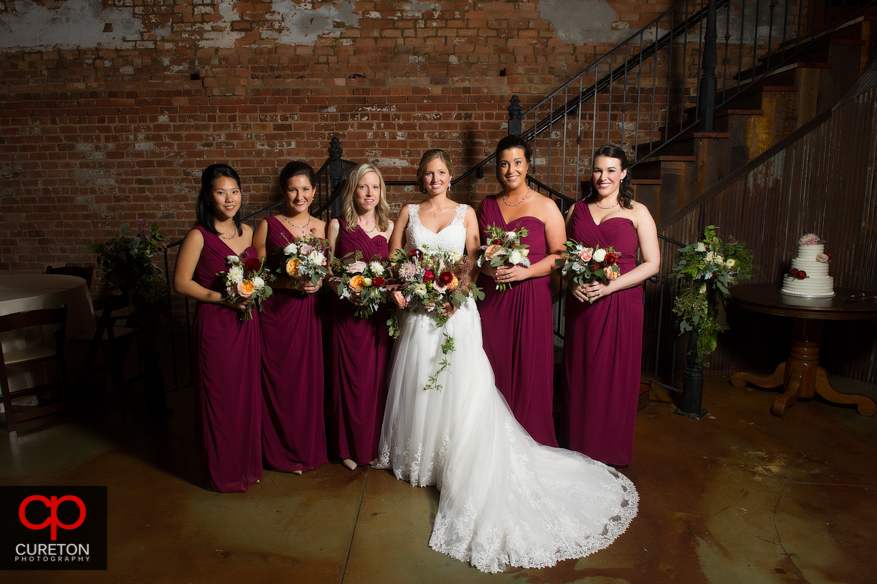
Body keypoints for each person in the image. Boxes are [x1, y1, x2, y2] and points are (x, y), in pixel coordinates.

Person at [376, 149, 638, 573]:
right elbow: (434, 258)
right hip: (431, 308)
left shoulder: (526, 208)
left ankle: (472, 451)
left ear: (528, 165)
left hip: (473, 303)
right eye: (428, 173)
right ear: (421, 178)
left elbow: (491, 257)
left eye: (442, 172)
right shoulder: (476, 206)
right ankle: (422, 455)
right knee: (420, 380)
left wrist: (465, 285)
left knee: (467, 384)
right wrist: (416, 284)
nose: (510, 169)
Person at [562, 144, 660, 467]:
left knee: (615, 375)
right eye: (598, 170)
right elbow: (563, 257)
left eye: (611, 170)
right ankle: (579, 444)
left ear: (624, 173)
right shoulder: (575, 210)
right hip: (583, 304)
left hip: (620, 304)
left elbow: (653, 264)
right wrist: (572, 282)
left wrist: (611, 286)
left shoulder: (638, 212)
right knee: (582, 374)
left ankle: (609, 450)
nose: (603, 177)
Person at [173, 164, 261, 492]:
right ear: (208, 197)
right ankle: (223, 473)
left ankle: (247, 467)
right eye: (221, 192)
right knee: (221, 399)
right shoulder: (198, 235)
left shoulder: (250, 232)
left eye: (234, 191)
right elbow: (181, 283)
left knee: (246, 397)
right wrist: (222, 299)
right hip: (216, 326)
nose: (229, 199)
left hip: (247, 325)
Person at [475, 135, 566, 447]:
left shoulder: (546, 206)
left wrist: (526, 271)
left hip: (530, 299)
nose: (510, 169)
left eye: (517, 162)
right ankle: (493, 443)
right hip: (493, 300)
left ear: (528, 165)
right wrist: (487, 267)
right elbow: (476, 253)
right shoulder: (486, 205)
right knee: (490, 366)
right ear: (497, 168)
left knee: (530, 369)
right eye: (503, 163)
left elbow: (560, 256)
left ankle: (530, 439)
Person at [253, 161, 328, 474]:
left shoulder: (323, 226)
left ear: (313, 191)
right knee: (281, 383)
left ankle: (304, 449)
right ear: (284, 191)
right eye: (293, 189)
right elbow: (255, 275)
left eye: (306, 189)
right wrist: (289, 282)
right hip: (277, 316)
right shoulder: (268, 226)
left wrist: (319, 280)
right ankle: (278, 453)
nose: (300, 195)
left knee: (306, 384)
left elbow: (328, 270)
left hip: (309, 315)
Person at [326, 163, 394, 471]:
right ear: (353, 190)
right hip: (346, 315)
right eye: (363, 187)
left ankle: (374, 445)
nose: (369, 193)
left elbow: (392, 272)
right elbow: (327, 271)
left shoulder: (389, 227)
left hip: (376, 317)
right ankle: (347, 449)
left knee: (376, 382)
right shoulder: (337, 225)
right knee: (348, 380)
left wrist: (376, 280)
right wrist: (342, 288)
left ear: (381, 192)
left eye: (375, 187)